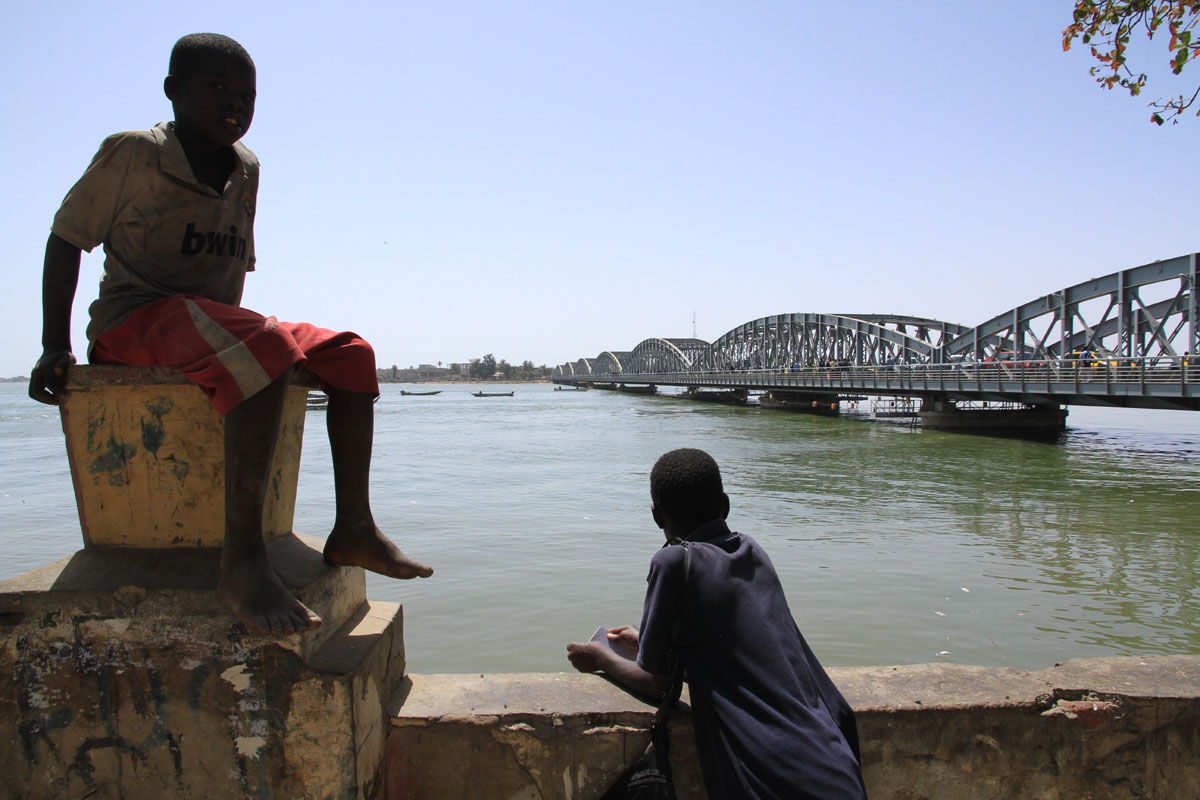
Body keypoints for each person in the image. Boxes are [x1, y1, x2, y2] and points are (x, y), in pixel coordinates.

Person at [28, 33, 432, 636]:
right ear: (173, 92)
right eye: (217, 88)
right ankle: (241, 562)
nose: (235, 103)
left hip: (207, 322)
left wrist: (247, 346)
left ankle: (353, 529)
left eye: (246, 94)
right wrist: (53, 343)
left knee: (351, 354)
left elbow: (230, 273)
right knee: (265, 347)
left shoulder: (246, 167)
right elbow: (66, 240)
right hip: (135, 319)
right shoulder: (135, 153)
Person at [567, 448, 866, 799]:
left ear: (655, 515)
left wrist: (600, 657)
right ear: (725, 505)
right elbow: (744, 657)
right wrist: (648, 639)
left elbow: (658, 684)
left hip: (773, 774)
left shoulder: (672, 562)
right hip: (834, 762)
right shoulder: (751, 551)